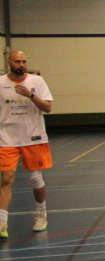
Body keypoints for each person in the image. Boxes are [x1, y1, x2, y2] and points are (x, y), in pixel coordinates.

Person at [0, 51, 54, 237]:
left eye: (24, 61)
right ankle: (2, 223)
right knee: (6, 179)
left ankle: (41, 215)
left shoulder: (36, 81)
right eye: (17, 61)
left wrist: (31, 95)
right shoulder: (1, 83)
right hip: (7, 139)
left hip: (33, 137)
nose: (21, 64)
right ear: (9, 62)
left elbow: (48, 108)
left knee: (35, 178)